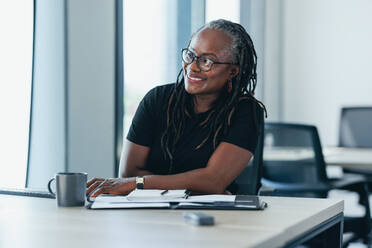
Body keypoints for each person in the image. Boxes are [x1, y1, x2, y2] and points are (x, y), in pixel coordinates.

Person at [86, 19, 266, 198]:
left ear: (233, 71)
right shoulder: (157, 99)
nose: (193, 67)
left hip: (212, 216)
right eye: (190, 55)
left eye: (206, 61)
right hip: (148, 213)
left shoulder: (246, 112)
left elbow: (212, 181)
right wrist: (196, 185)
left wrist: (139, 183)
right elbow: (127, 174)